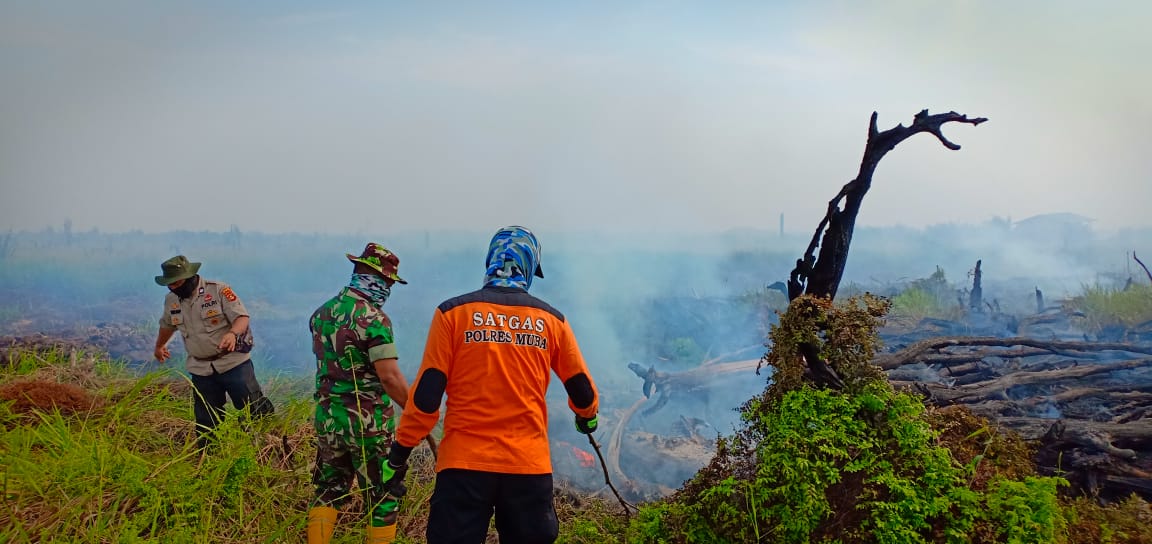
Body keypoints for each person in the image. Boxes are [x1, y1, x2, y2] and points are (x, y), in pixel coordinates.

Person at [384, 225, 600, 544]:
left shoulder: (452, 314)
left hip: (462, 467)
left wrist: (399, 453)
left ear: (491, 261)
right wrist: (587, 417)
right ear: (528, 267)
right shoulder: (552, 320)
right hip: (527, 468)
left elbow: (427, 396)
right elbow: (582, 390)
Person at [306, 243, 412, 544]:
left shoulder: (322, 313)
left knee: (329, 490)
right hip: (367, 425)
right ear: (376, 277)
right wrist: (417, 410)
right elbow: (389, 377)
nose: (388, 289)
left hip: (328, 420)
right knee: (382, 497)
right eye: (388, 282)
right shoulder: (375, 320)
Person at [153, 255, 274, 448]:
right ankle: (209, 457)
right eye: (170, 284)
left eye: (177, 283)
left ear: (189, 277)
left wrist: (233, 334)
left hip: (233, 363)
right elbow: (167, 325)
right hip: (201, 368)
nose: (173, 288)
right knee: (206, 420)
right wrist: (159, 346)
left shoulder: (218, 290)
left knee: (253, 407)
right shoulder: (171, 300)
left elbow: (242, 317)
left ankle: (268, 446)